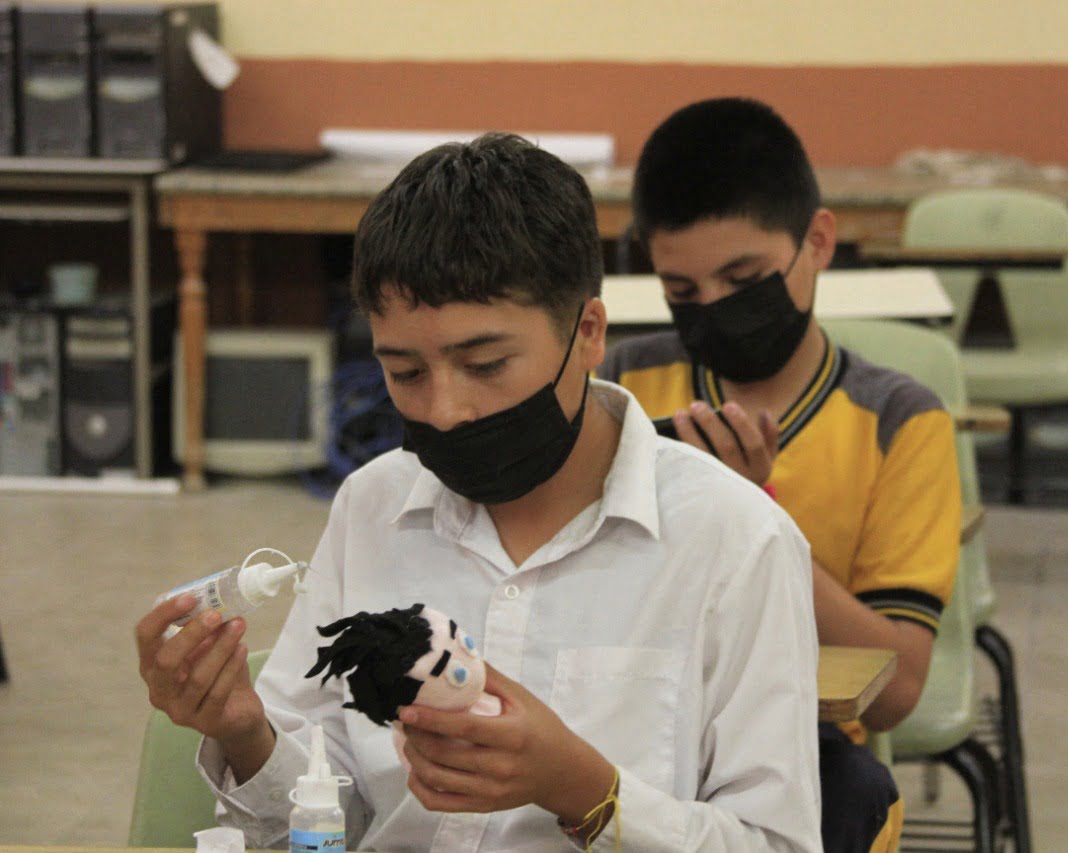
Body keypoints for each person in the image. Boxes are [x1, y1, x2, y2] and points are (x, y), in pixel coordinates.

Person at [135, 133, 823, 852]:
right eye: (406, 373)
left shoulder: (735, 540)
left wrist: (583, 788)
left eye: (486, 364)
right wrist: (247, 732)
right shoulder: (374, 506)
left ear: (588, 333)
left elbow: (775, 842)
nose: (445, 410)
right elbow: (320, 818)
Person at [597, 98, 962, 853]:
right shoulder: (624, 387)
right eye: (682, 292)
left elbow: (895, 690)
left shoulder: (899, 422)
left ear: (817, 242)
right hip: (627, 729)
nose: (715, 308)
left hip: (801, 752)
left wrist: (752, 517)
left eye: (745, 278)